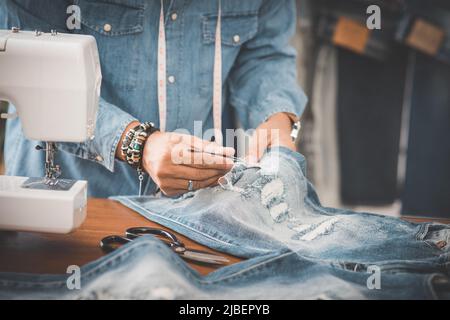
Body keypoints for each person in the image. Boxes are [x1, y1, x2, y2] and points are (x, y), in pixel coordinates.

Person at [0, 0, 307, 197]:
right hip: (78, 199)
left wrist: (278, 116)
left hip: (201, 206)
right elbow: (33, 71)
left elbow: (263, 52)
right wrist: (138, 143)